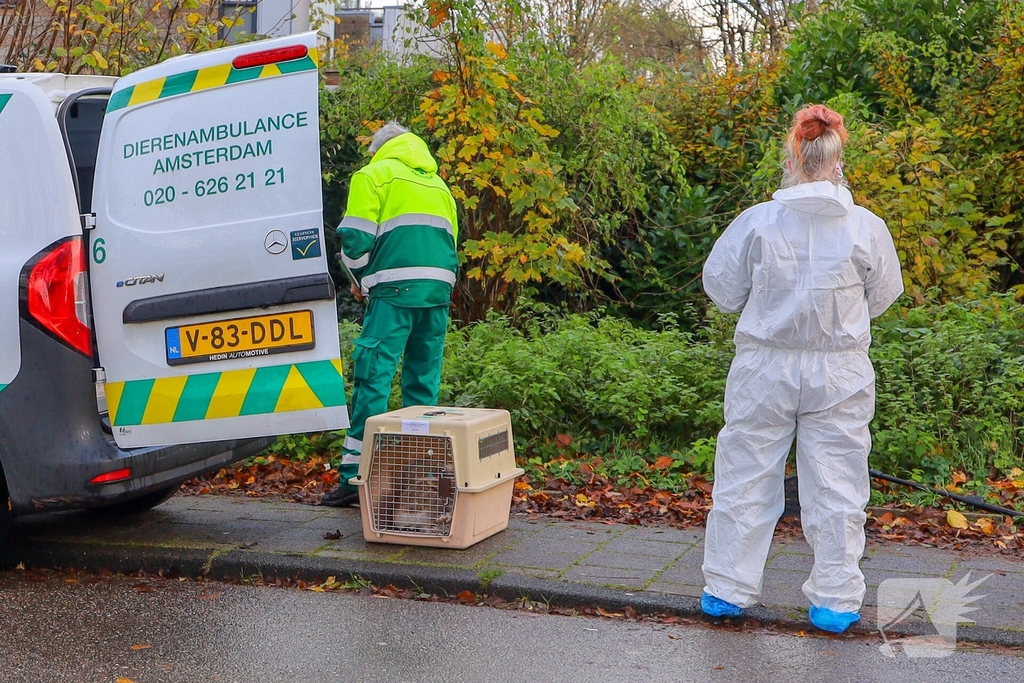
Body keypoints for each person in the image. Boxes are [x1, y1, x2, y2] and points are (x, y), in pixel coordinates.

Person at [699, 105, 903, 633]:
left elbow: (721, 290)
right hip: (839, 370)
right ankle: (835, 601)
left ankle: (726, 589)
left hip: (764, 367)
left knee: (746, 475)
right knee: (837, 482)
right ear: (839, 159)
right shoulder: (866, 227)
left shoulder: (758, 222)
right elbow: (881, 297)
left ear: (793, 156)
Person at [320, 122, 459, 507]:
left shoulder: (373, 175)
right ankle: (418, 475)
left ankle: (355, 477)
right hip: (438, 292)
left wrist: (359, 276)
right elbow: (450, 242)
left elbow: (356, 240)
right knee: (422, 386)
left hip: (394, 292)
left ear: (379, 149)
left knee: (373, 378)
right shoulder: (440, 186)